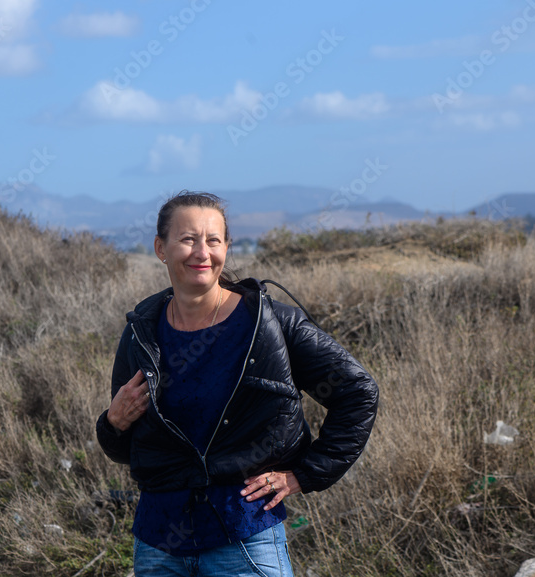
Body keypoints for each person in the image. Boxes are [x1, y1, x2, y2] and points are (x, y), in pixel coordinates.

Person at [96, 191, 379, 576]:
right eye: (187, 239)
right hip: (160, 541)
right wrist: (112, 422)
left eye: (213, 240)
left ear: (227, 247)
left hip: (244, 536)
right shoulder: (141, 333)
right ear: (161, 248)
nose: (202, 252)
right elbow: (125, 447)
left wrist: (305, 474)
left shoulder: (271, 324)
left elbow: (358, 391)